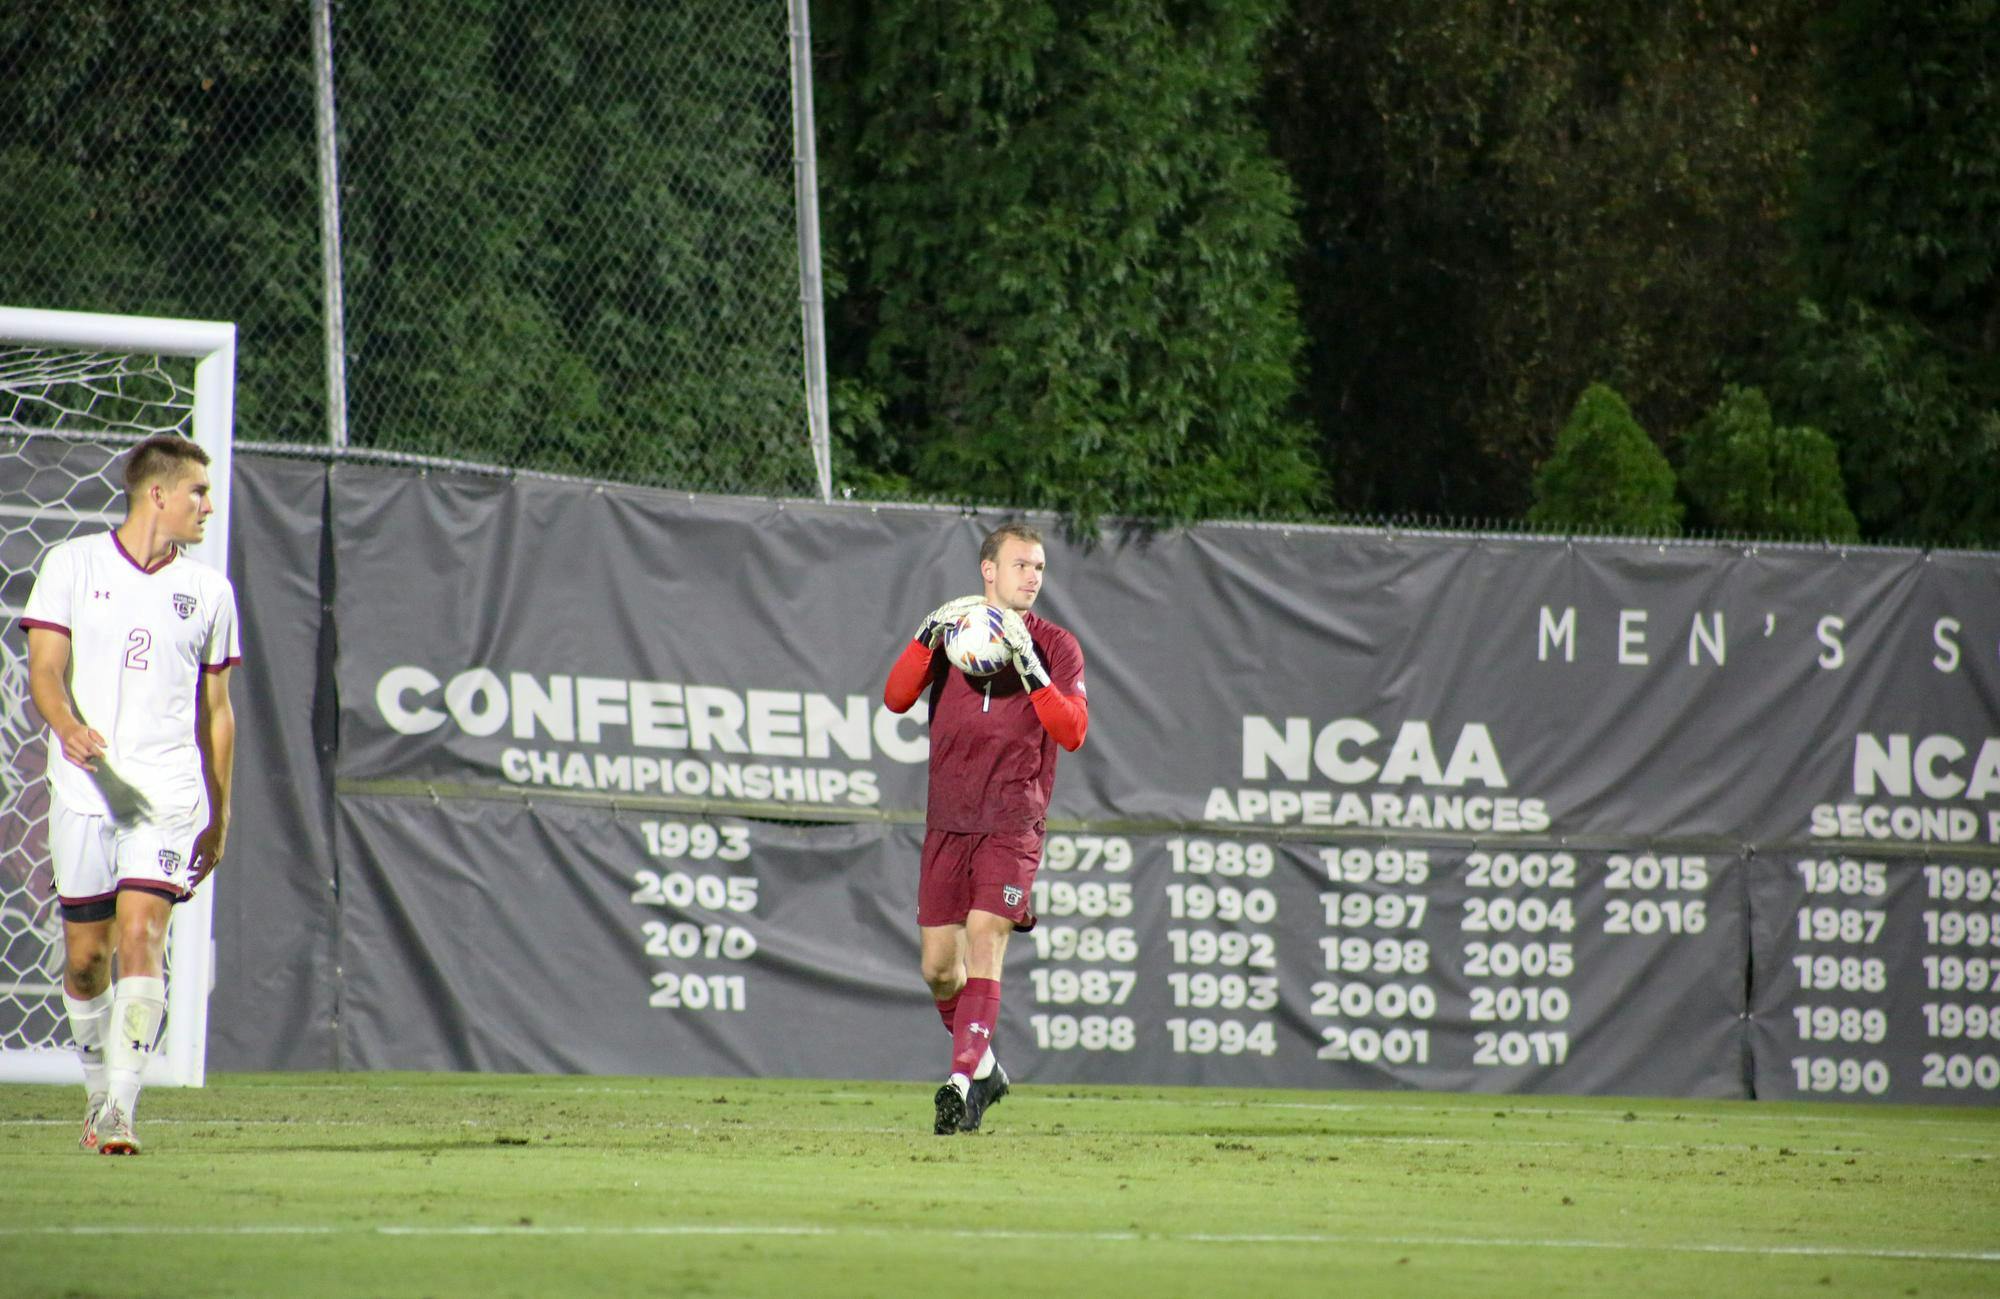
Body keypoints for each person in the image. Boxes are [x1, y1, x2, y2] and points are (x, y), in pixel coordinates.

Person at [20, 435, 240, 1155]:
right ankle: (95, 1097)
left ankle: (120, 1108)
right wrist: (68, 727)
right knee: (87, 958)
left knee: (144, 933)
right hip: (86, 792)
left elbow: (218, 711)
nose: (208, 504)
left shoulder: (209, 591)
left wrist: (220, 811)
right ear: (159, 494)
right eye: (198, 492)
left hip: (168, 794)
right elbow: (45, 670)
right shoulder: (72, 565)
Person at [883, 522, 1089, 1135]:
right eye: (1021, 565)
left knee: (984, 937)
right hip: (948, 819)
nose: (1032, 576)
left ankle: (960, 1080)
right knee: (940, 969)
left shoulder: (1055, 646)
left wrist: (1030, 665)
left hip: (1011, 820)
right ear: (988, 571)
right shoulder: (953, 637)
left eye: (1040, 568)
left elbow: (1072, 732)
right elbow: (895, 699)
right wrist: (925, 635)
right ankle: (989, 1070)